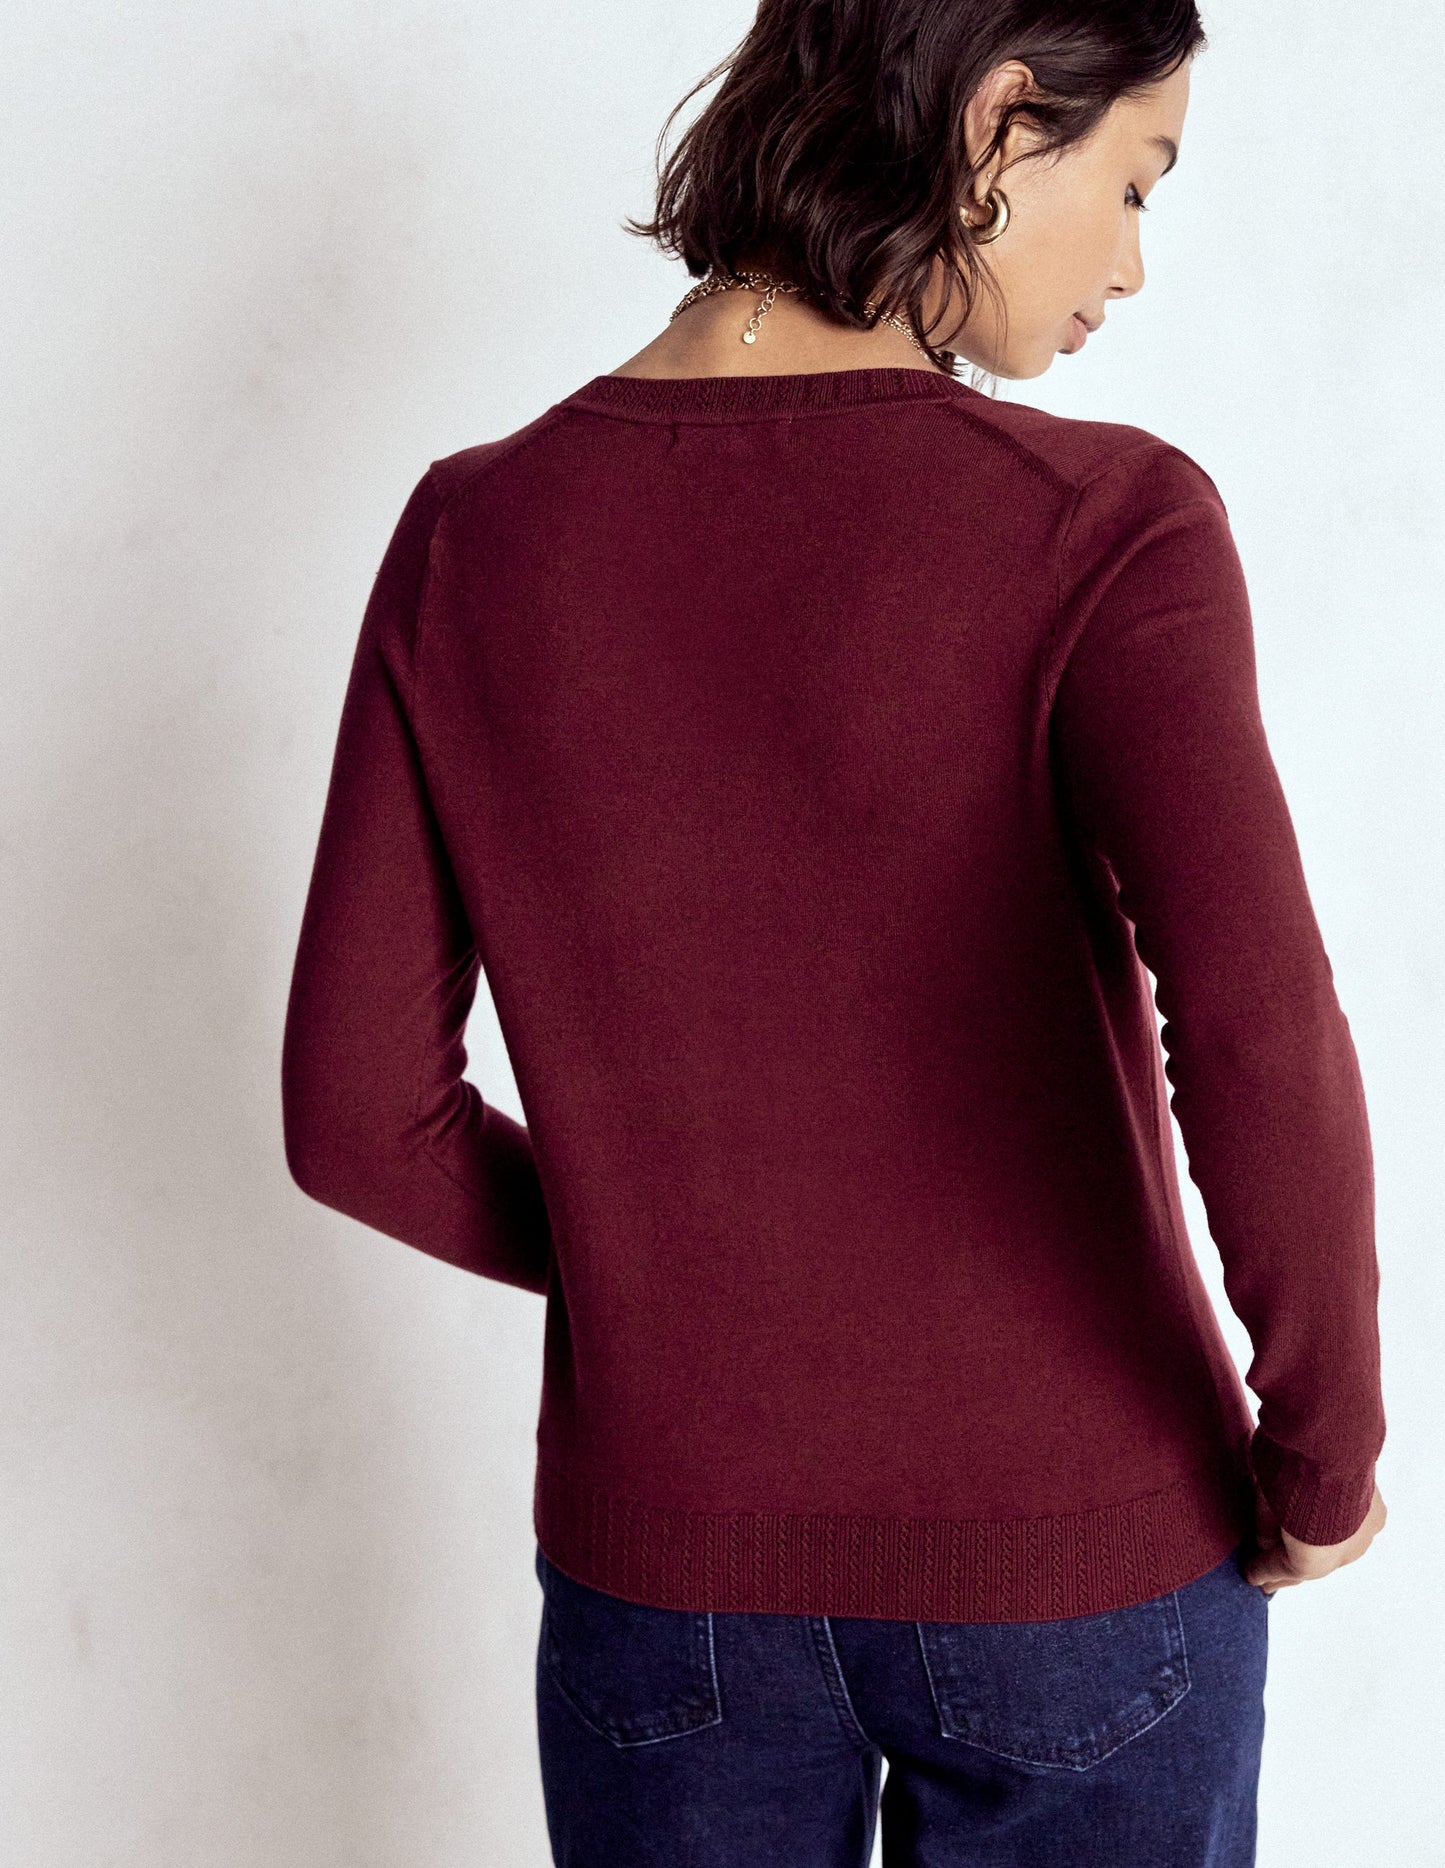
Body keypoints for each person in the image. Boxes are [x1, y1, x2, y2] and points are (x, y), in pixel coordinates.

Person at [280, 2, 1388, 1861]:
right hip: (1076, 1557)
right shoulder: (1099, 524)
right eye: (1133, 183)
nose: (1131, 265)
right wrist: (1323, 1453)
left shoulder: (474, 533)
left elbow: (354, 1122)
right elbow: (1256, 1027)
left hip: (665, 1578)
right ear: (996, 122)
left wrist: (678, 1269)